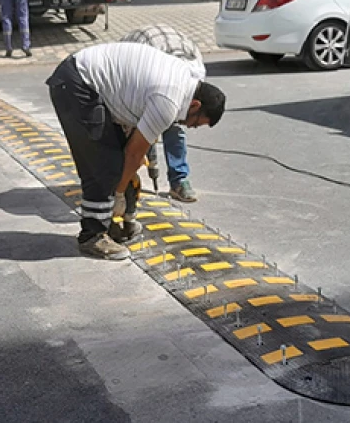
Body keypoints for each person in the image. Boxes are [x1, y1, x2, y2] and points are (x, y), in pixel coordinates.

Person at [46, 42, 226, 260]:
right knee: (104, 164)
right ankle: (92, 236)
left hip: (90, 84)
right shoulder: (168, 102)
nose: (190, 127)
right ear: (195, 105)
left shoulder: (185, 79)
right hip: (78, 84)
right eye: (195, 123)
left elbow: (135, 149)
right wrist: (119, 193)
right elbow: (133, 154)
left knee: (118, 161)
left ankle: (113, 224)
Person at [120, 24, 207, 203]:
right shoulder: (152, 68)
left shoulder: (196, 73)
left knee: (174, 125)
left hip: (170, 47)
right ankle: (124, 179)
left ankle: (179, 180)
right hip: (137, 53)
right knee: (135, 121)